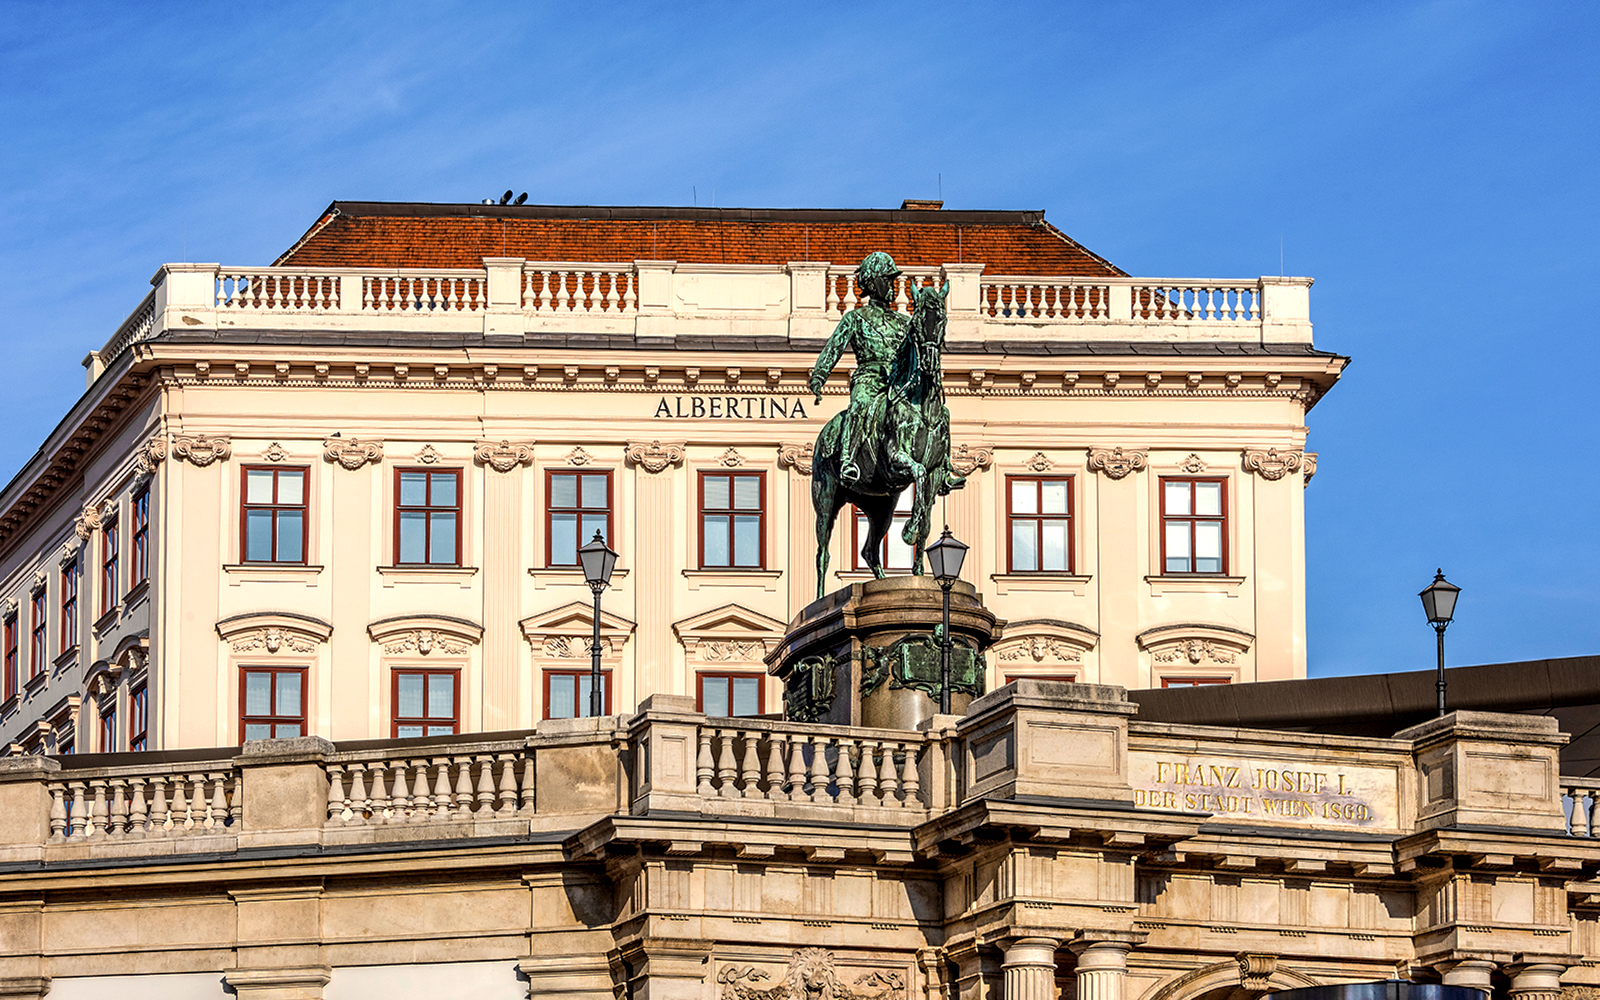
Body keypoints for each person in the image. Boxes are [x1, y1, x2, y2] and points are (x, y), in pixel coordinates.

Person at [808, 252, 914, 486]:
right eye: (888, 280)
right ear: (873, 284)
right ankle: (847, 460)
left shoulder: (905, 322)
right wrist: (819, 376)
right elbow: (833, 348)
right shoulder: (855, 318)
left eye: (892, 281)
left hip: (898, 382)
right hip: (869, 377)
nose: (893, 286)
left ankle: (941, 465)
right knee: (858, 407)